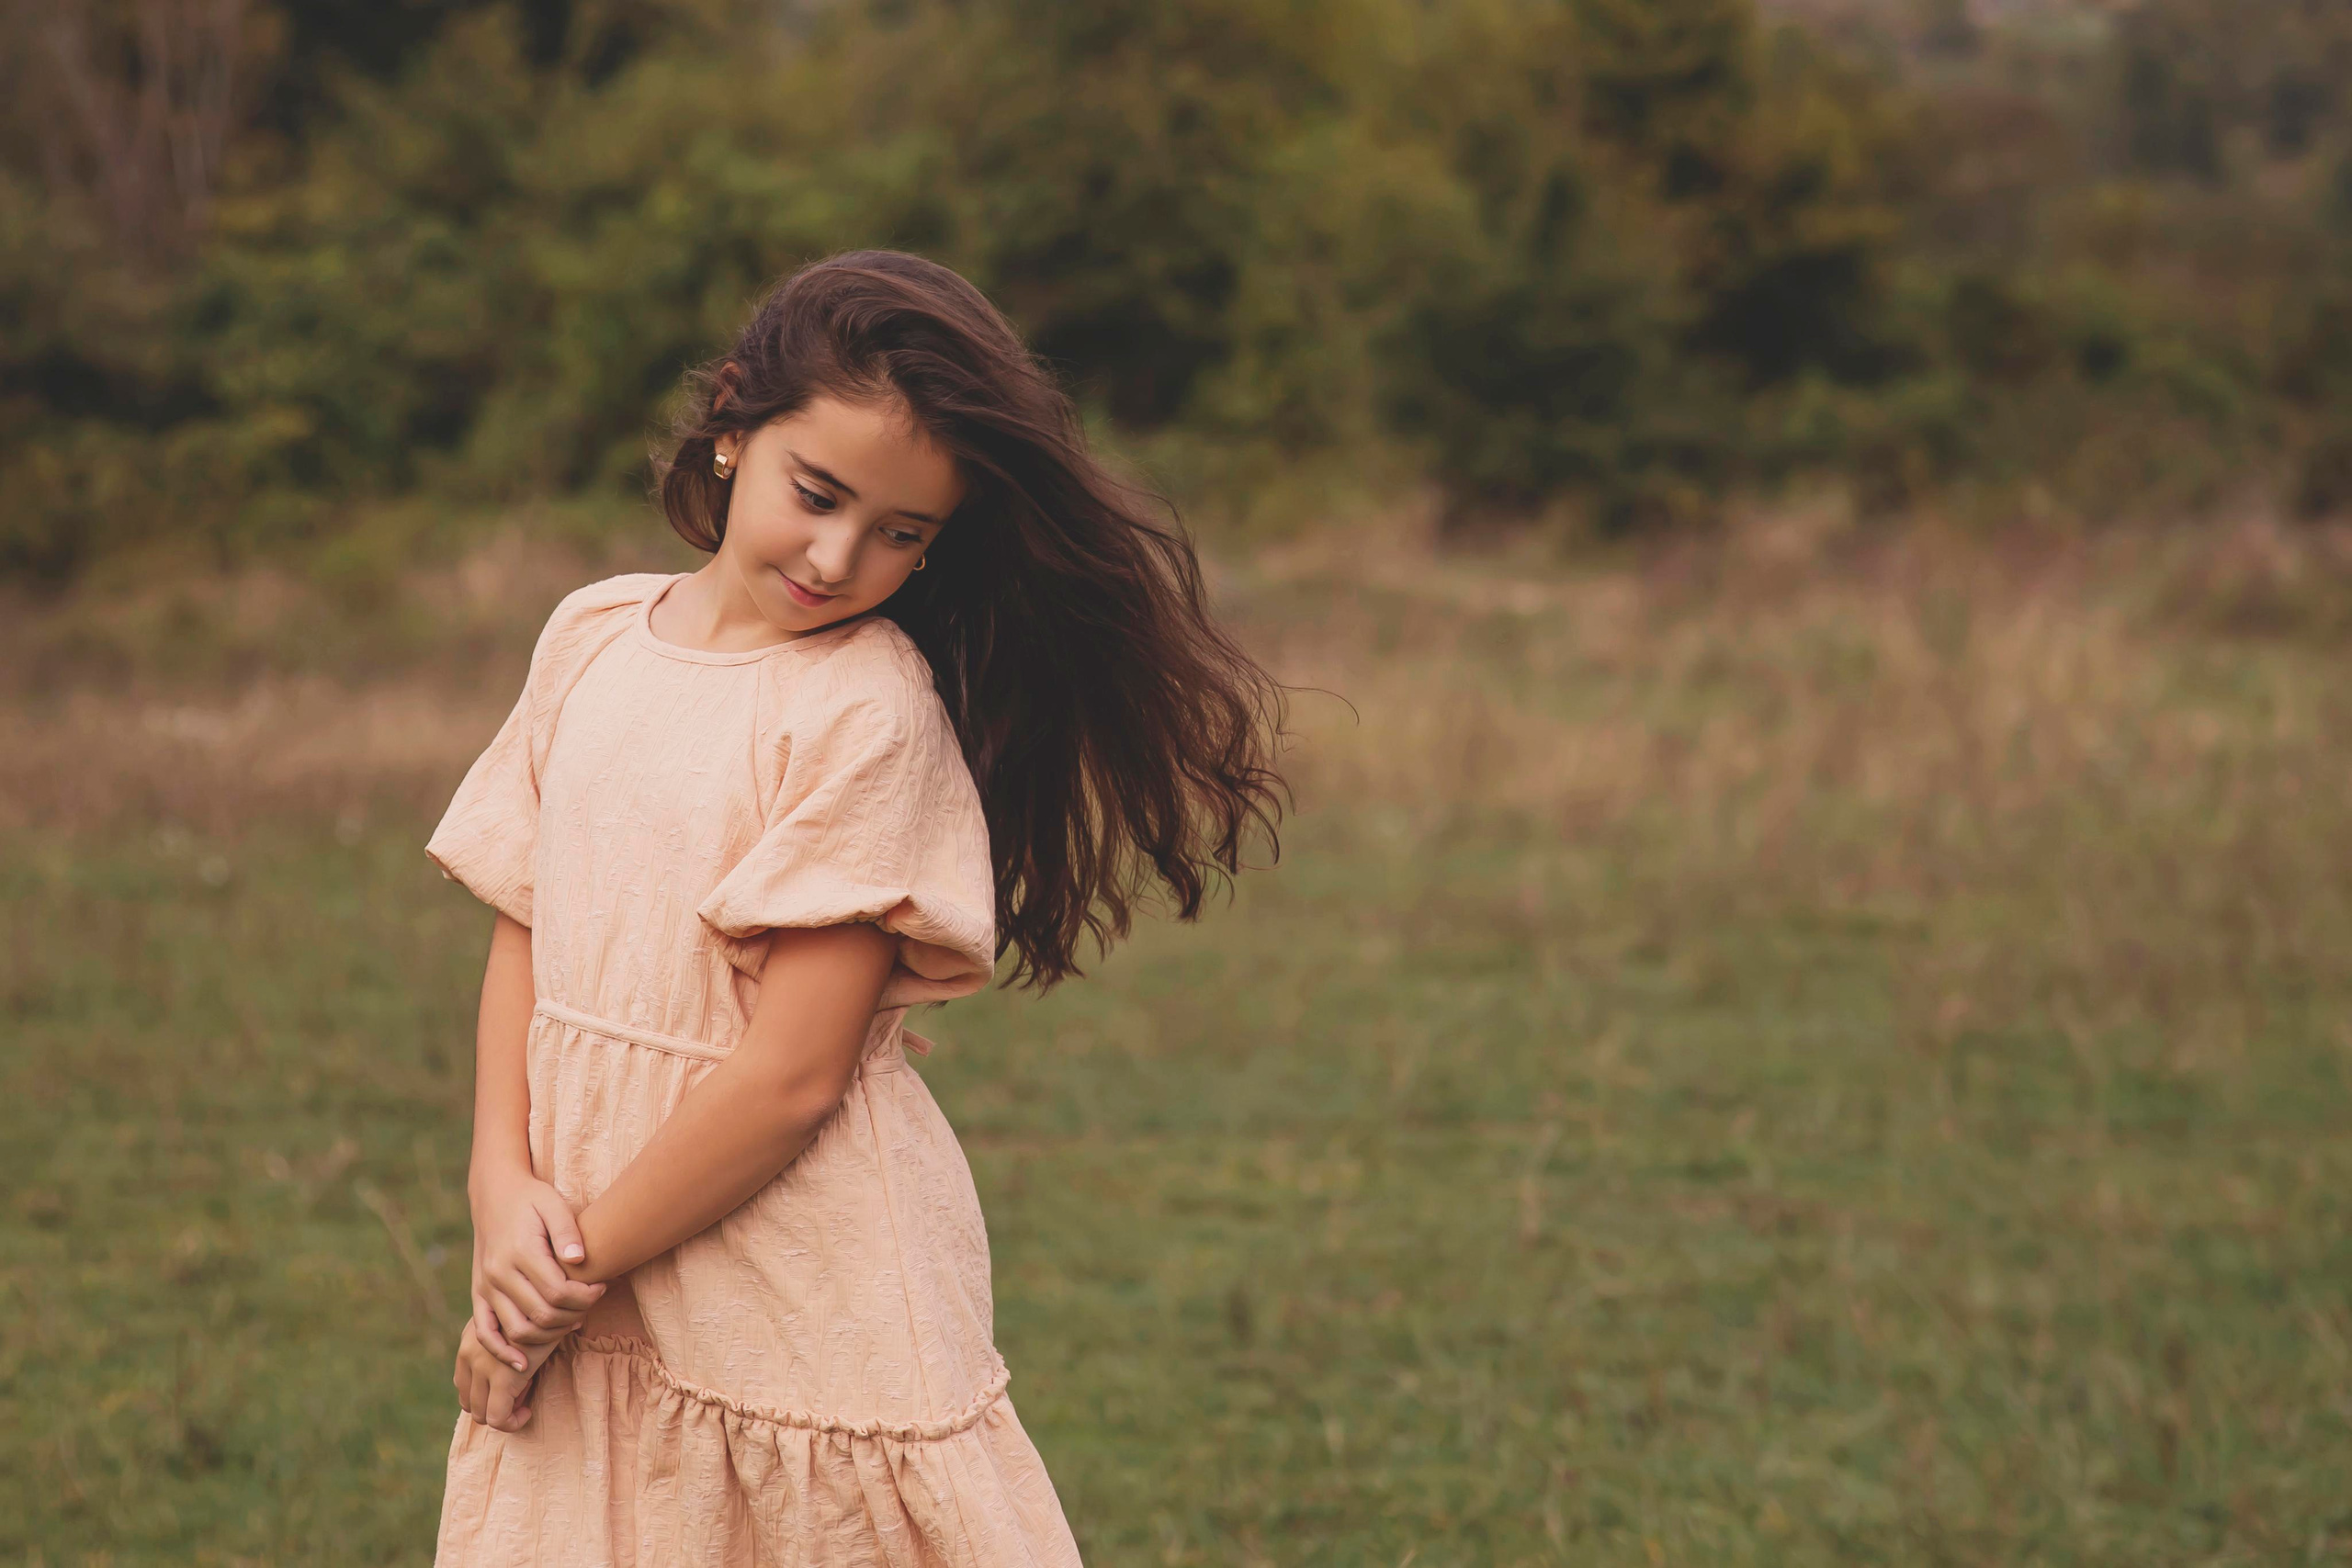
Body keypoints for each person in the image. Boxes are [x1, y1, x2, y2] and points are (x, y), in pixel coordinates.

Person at [422, 249, 1291, 1565]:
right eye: (816, 494)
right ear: (732, 425)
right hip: (587, 1244)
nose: (839, 556)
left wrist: (555, 1288)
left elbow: (790, 1077)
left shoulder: (864, 712)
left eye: (903, 535)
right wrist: (502, 1190)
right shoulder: (592, 637)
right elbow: (525, 928)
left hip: (795, 1285)